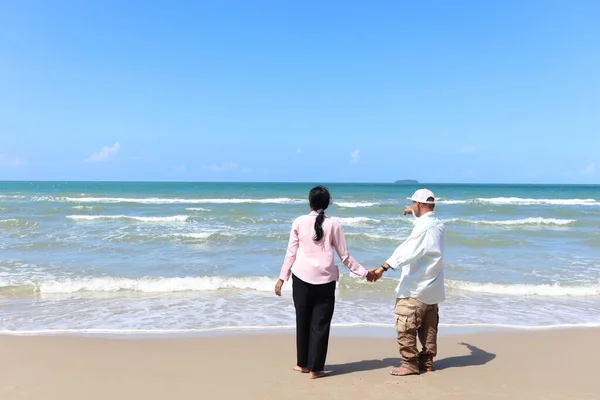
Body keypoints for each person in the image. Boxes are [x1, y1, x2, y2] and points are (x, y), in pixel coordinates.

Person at [275, 185, 376, 379]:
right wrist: (364, 273)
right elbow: (344, 256)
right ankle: (315, 369)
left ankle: (302, 364)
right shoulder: (334, 225)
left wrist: (282, 278)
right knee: (320, 324)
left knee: (302, 321)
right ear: (327, 204)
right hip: (326, 280)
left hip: (301, 278)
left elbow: (291, 253)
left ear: (309, 203)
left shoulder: (299, 222)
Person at [371, 188, 446, 376]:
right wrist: (412, 213)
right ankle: (427, 362)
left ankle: (410, 363)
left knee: (405, 324)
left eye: (414, 204)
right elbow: (423, 232)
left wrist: (383, 267)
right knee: (429, 328)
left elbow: (408, 250)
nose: (412, 205)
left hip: (415, 287)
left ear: (419, 204)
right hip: (432, 288)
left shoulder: (423, 228)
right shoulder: (438, 224)